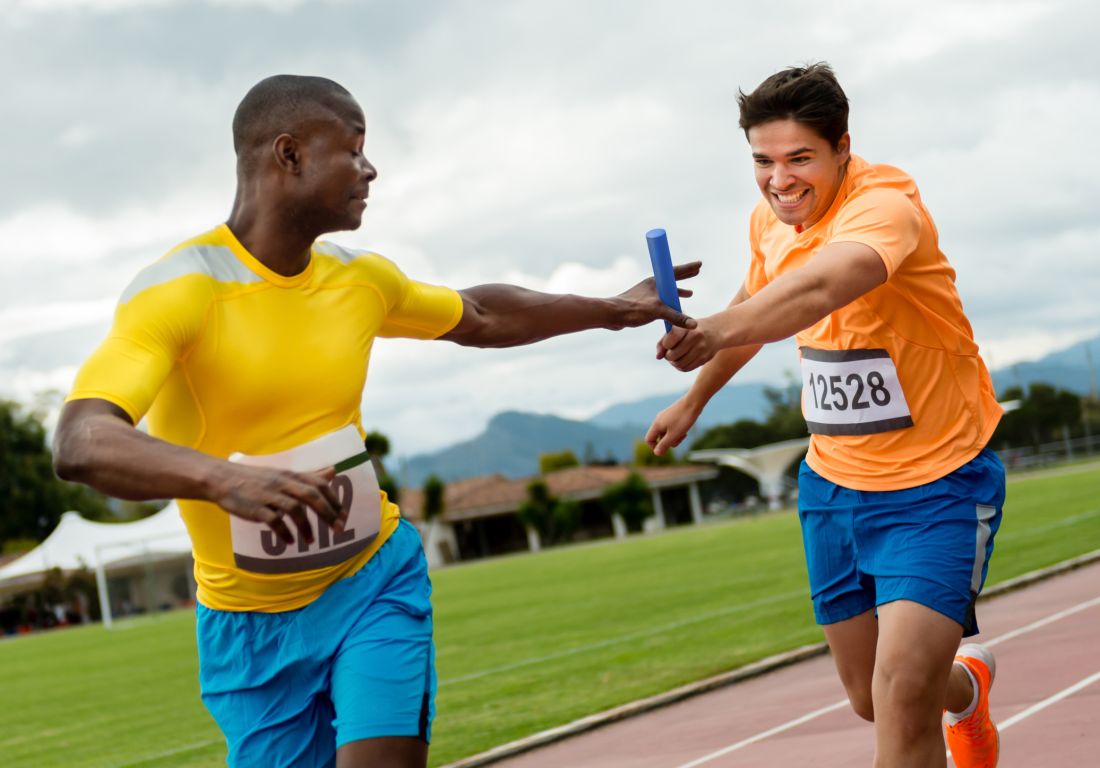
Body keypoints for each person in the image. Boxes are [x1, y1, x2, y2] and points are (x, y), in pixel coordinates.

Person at [53, 74, 699, 768]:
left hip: (372, 583)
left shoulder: (358, 280)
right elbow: (82, 438)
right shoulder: (179, 291)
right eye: (354, 149)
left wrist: (609, 309)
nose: (371, 169)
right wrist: (218, 481)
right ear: (289, 154)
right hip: (250, 628)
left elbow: (479, 315)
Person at [645, 63, 1004, 768]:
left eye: (800, 158)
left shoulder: (886, 207)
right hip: (833, 486)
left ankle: (939, 688)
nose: (780, 180)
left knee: (900, 696)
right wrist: (695, 397)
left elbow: (822, 284)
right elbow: (760, 308)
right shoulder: (768, 222)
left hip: (937, 484)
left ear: (843, 146)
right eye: (763, 161)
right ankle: (966, 688)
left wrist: (710, 328)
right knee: (873, 697)